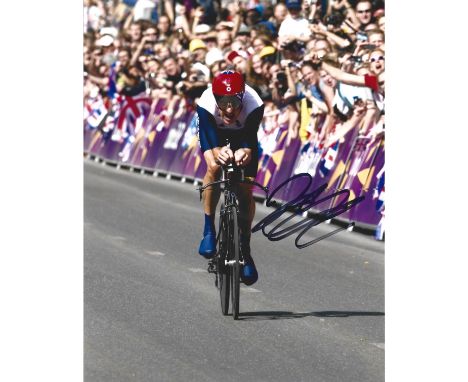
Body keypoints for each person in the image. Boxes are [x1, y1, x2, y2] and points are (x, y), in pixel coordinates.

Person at [196, 70, 265, 286]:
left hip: (243, 133)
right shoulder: (206, 104)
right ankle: (209, 229)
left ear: (242, 96)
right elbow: (212, 143)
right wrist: (220, 152)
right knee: (214, 166)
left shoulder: (255, 104)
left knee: (245, 186)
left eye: (234, 101)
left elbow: (249, 139)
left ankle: (245, 247)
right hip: (214, 132)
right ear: (216, 98)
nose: (229, 108)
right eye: (223, 102)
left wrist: (245, 152)